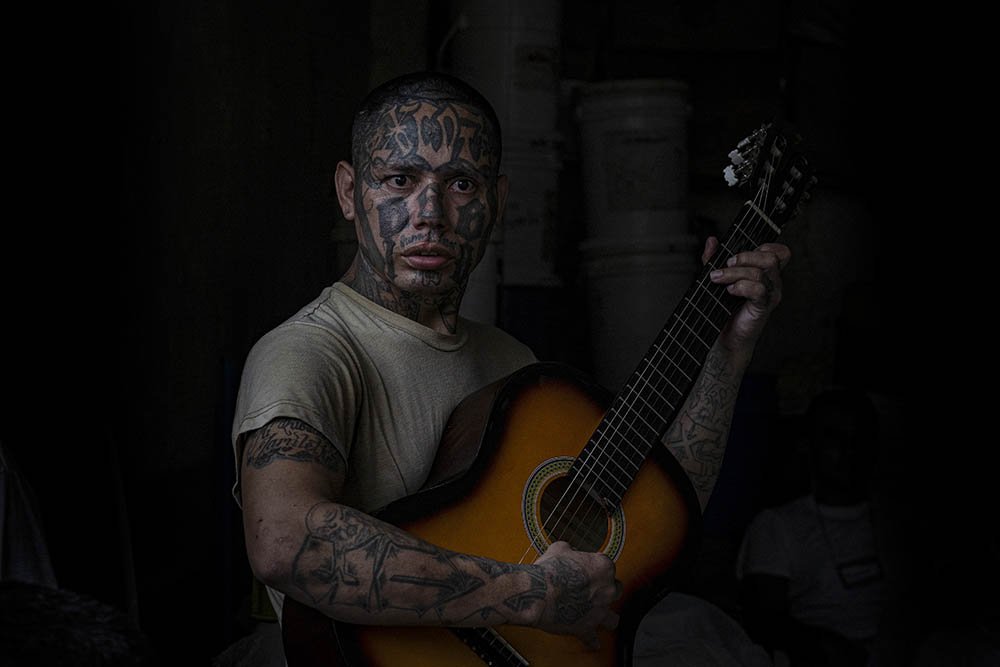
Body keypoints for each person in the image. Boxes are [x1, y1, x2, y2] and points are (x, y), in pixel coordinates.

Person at [230, 70, 790, 660]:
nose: (430, 215)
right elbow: (284, 541)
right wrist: (529, 595)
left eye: (461, 185)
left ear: (497, 201)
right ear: (349, 192)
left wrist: (729, 352)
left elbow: (654, 519)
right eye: (398, 180)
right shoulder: (308, 352)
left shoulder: (515, 366)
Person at [735, 388, 889, 666]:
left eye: (858, 438)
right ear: (809, 444)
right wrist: (822, 646)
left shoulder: (890, 517)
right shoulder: (778, 525)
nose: (848, 450)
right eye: (834, 437)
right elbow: (765, 620)